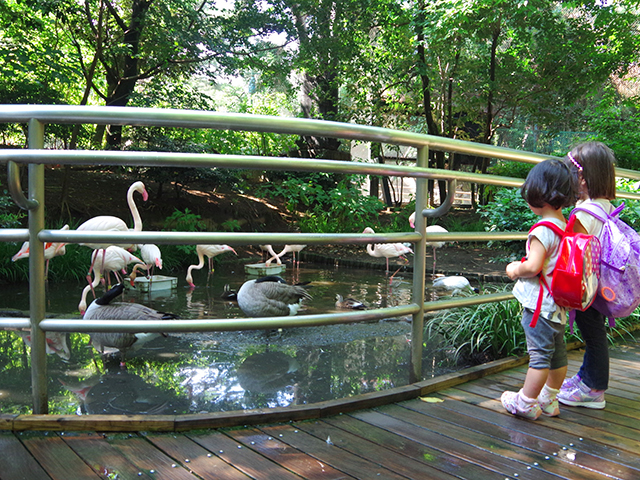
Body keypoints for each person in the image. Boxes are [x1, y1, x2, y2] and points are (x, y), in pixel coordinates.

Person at [501, 158, 576, 419]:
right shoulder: (565, 226)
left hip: (539, 307)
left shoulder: (543, 230)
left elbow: (533, 267)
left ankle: (526, 401)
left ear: (538, 193)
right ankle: (549, 399)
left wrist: (514, 269)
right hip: (558, 306)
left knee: (540, 357)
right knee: (558, 355)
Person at [556, 142, 617, 410]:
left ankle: (594, 390)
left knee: (593, 336)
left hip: (585, 287)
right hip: (600, 283)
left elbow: (572, 251)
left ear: (582, 177)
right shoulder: (603, 205)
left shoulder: (583, 213)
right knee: (596, 333)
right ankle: (586, 378)